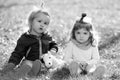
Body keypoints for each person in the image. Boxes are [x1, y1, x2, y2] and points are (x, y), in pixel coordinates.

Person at [0, 9, 58, 78]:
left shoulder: (47, 37)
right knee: (27, 65)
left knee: (55, 62)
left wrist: (53, 49)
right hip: (30, 60)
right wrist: (11, 64)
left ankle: (62, 68)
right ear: (31, 22)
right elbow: (17, 53)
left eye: (45, 23)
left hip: (45, 61)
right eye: (39, 21)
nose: (42, 25)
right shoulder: (25, 38)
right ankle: (32, 71)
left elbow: (53, 44)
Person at [63, 13, 106, 79]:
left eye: (85, 33)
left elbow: (96, 58)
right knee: (75, 67)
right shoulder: (72, 43)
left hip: (88, 65)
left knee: (91, 69)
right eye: (78, 33)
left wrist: (87, 63)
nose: (81, 36)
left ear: (90, 34)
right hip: (76, 65)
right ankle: (75, 73)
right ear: (74, 33)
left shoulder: (92, 44)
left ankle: (93, 74)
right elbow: (67, 58)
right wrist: (77, 63)